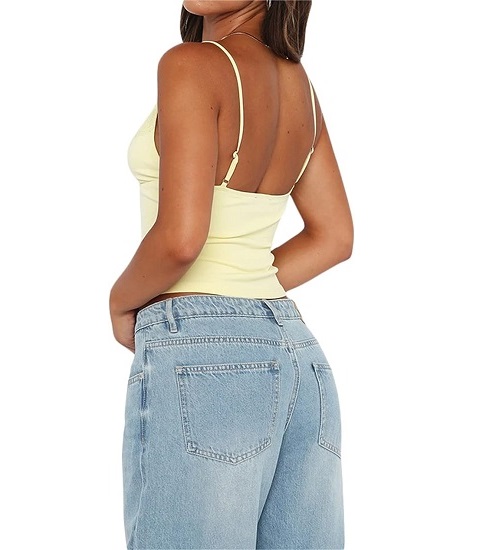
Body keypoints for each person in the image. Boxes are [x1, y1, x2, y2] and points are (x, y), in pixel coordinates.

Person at [109, 1, 353, 548]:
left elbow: (181, 239)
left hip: (203, 361)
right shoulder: (299, 87)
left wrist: (122, 302)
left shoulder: (191, 64)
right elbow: (334, 236)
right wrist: (240, 292)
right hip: (299, 358)